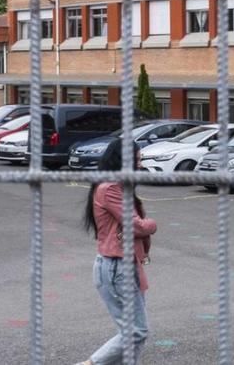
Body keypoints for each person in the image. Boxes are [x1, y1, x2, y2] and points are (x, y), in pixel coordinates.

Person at [77, 139, 156, 365]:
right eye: (137, 161)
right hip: (117, 267)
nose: (140, 166)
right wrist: (151, 224)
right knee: (136, 332)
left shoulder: (119, 186)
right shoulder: (110, 188)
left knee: (134, 335)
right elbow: (136, 225)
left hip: (127, 265)